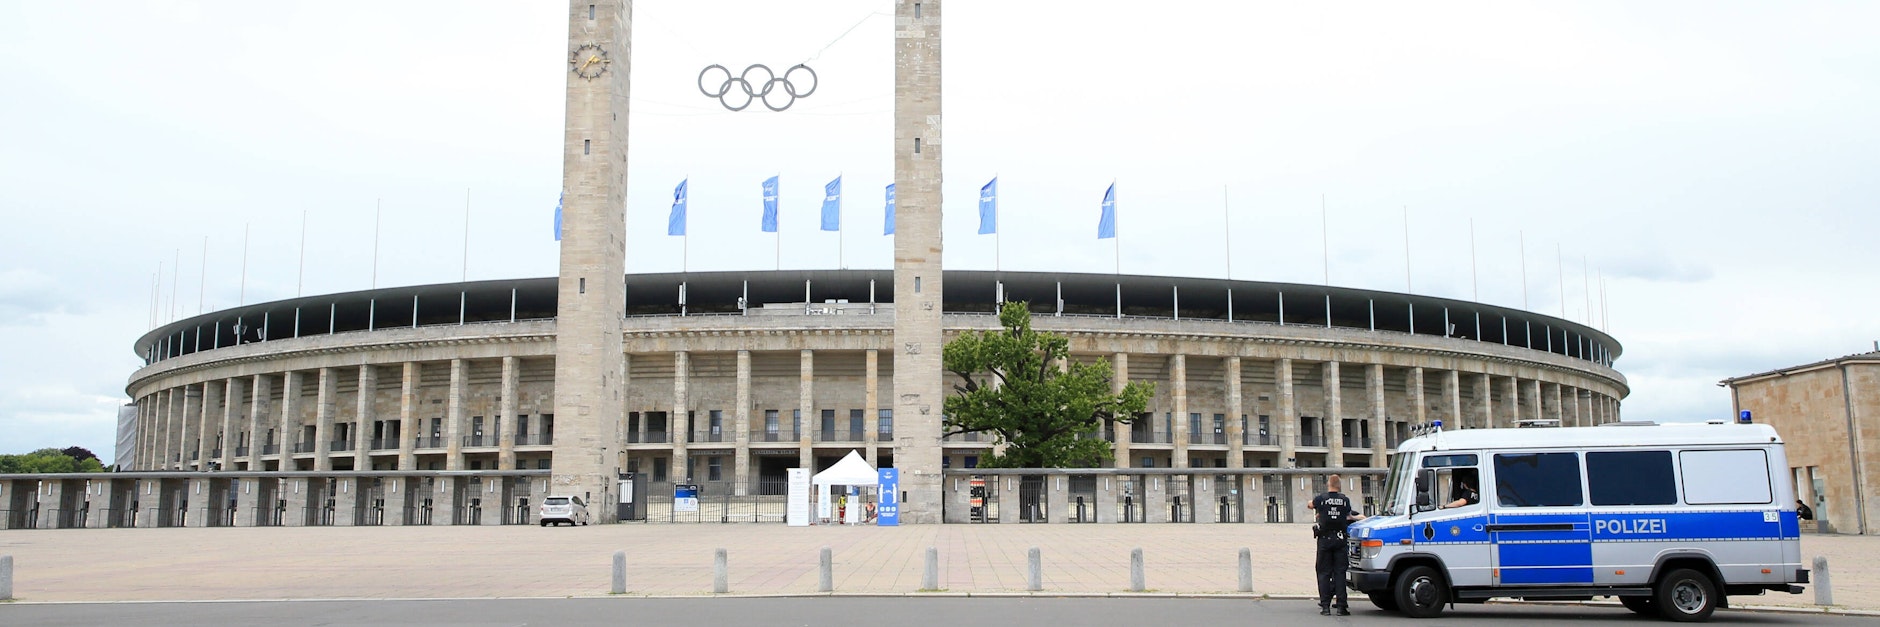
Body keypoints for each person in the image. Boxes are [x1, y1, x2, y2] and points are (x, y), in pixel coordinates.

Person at [1309, 475, 1368, 616]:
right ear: (1339, 485)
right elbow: (1347, 513)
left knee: (1323, 572)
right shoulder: (1344, 500)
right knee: (1340, 573)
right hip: (1340, 538)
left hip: (1325, 538)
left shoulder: (1321, 499)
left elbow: (1310, 505)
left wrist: (1316, 508)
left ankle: (1325, 607)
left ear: (1328, 484)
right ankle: (1341, 607)